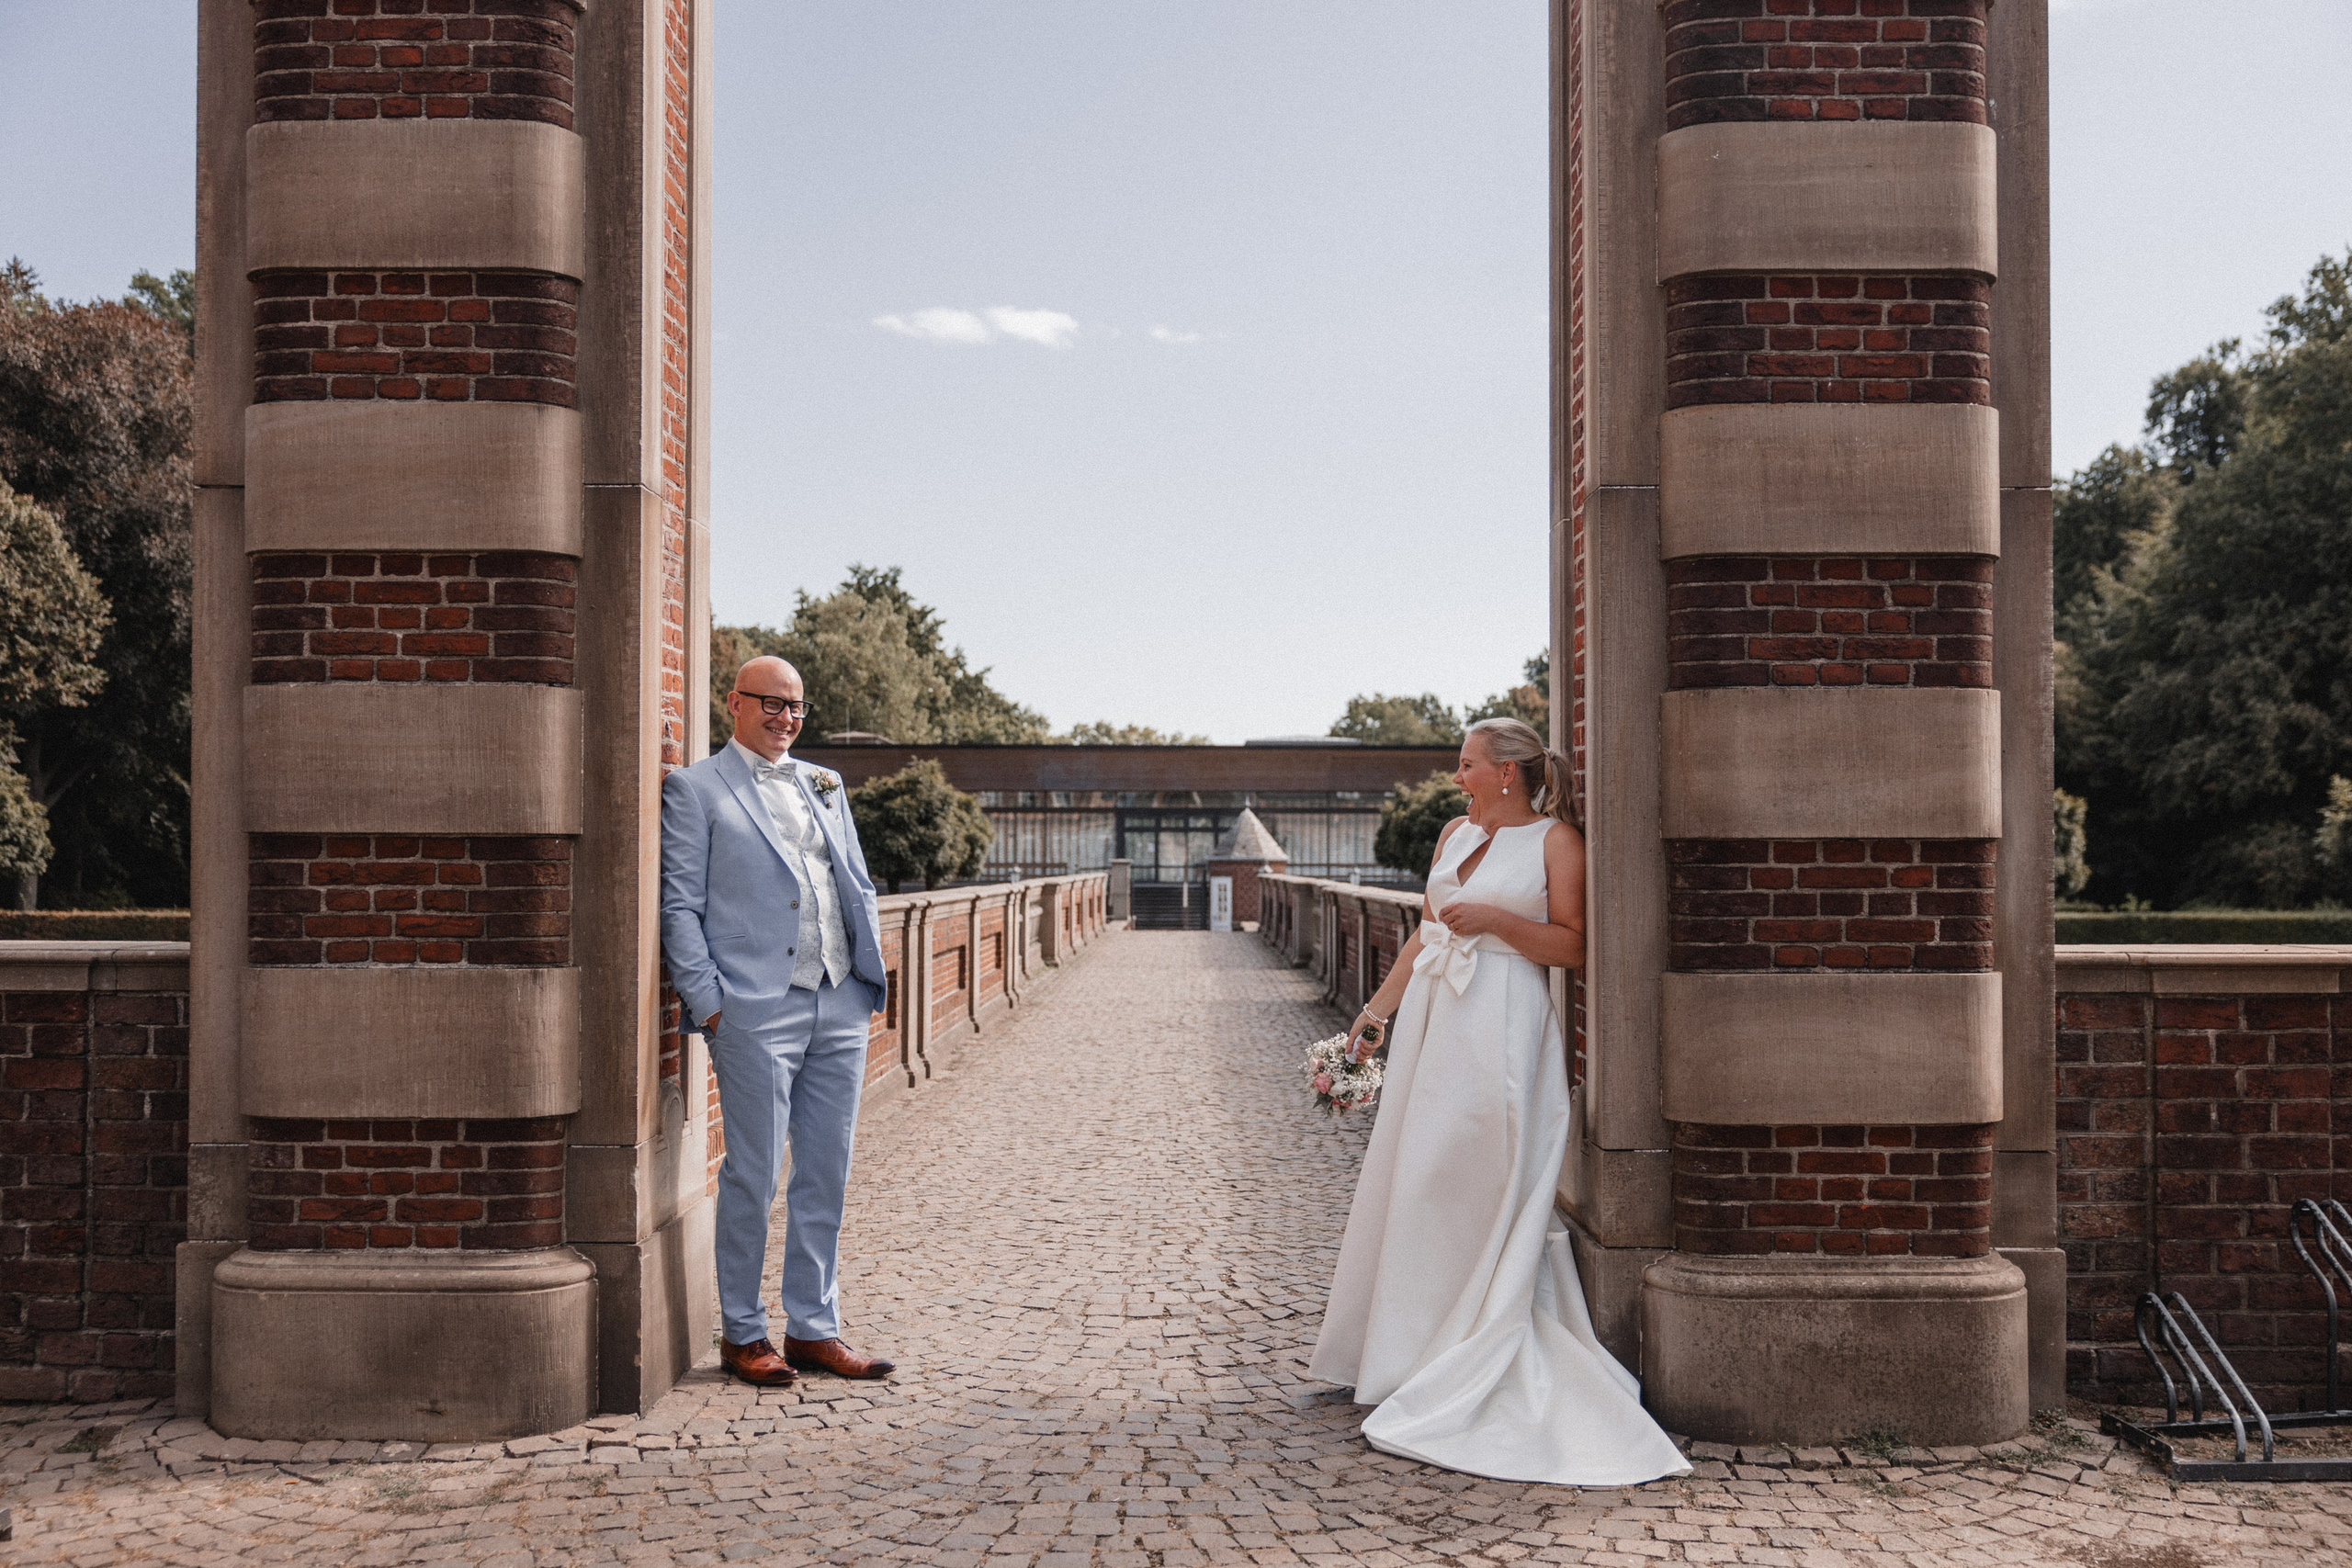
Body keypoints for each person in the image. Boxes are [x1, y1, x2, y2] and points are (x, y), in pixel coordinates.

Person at [1307, 716, 1689, 1485]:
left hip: (1504, 1030)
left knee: (1476, 1177)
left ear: (1506, 772)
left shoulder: (1555, 842)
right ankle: (1406, 1348)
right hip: (1436, 1025)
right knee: (1417, 1178)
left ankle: (1469, 1341)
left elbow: (1574, 946)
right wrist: (1374, 1017)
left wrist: (1498, 922)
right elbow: (1423, 936)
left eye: (1467, 764)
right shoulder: (1452, 832)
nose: (1458, 777)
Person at [660, 655, 898, 1388]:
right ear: (734, 702)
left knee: (825, 1170)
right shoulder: (695, 789)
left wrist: (867, 976)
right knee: (754, 1174)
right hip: (754, 1008)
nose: (785, 717)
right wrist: (712, 1004)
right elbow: (679, 907)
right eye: (770, 702)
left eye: (796, 707)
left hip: (838, 1000)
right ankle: (742, 1332)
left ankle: (813, 1328)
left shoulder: (825, 783)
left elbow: (851, 877)